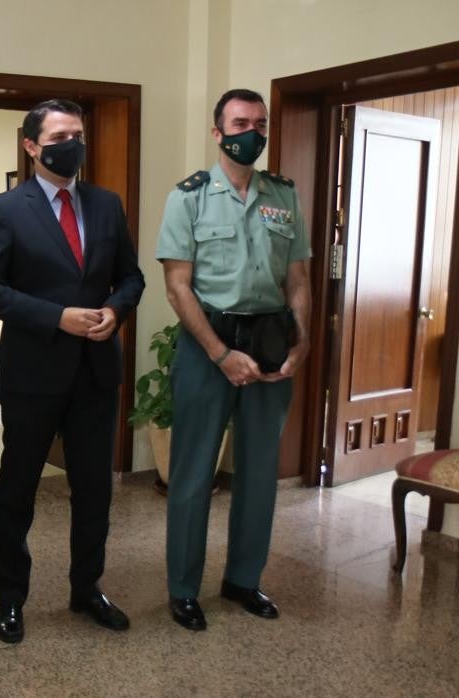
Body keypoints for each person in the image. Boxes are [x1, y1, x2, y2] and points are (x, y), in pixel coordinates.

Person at [0, 99, 145, 644]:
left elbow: (132, 277)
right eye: (60, 135)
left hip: (95, 372)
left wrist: (115, 310)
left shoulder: (106, 204)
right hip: (32, 375)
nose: (73, 144)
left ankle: (86, 588)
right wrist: (57, 317)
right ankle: (11, 599)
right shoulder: (7, 208)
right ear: (31, 146)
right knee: (17, 490)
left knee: (94, 489)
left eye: (78, 133)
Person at [156, 88, 312, 632]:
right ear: (218, 132)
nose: (253, 132)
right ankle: (183, 589)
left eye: (260, 123)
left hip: (270, 345)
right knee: (194, 473)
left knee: (260, 473)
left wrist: (302, 341)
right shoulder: (190, 197)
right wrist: (221, 354)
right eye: (241, 122)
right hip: (208, 348)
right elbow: (177, 288)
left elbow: (297, 279)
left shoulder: (283, 196)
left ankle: (243, 578)